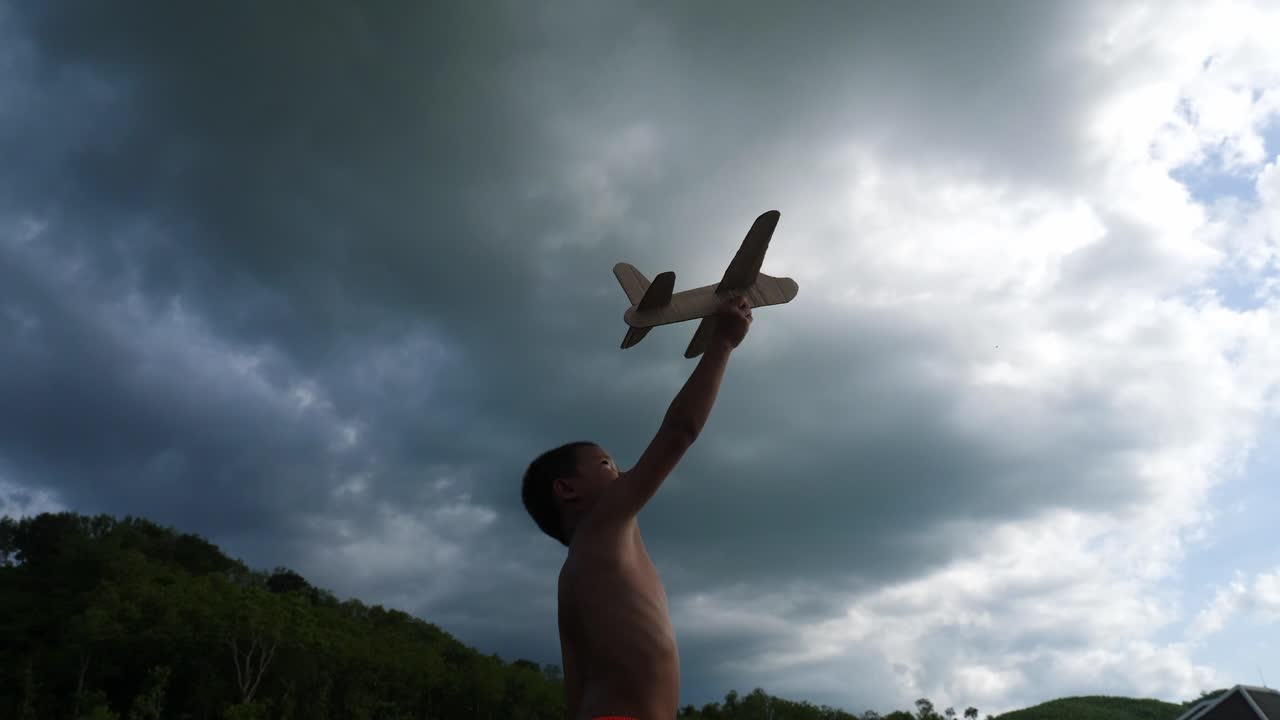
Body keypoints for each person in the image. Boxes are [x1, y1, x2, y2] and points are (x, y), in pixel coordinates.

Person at [521, 296, 753, 720]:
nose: (624, 472)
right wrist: (723, 343)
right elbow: (679, 432)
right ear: (567, 490)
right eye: (608, 464)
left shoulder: (574, 575)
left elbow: (576, 687)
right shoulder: (602, 526)